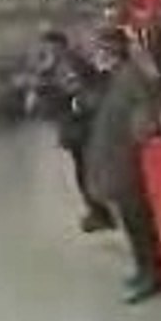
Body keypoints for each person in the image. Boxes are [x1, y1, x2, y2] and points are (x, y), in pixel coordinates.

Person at [85, 26, 161, 305]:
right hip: (118, 163)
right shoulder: (115, 78)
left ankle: (151, 275)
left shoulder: (132, 78)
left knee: (139, 225)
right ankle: (144, 270)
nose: (95, 55)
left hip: (129, 165)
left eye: (99, 49)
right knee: (132, 225)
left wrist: (136, 139)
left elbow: (146, 119)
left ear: (113, 51)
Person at [43, 30, 116, 234]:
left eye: (49, 46)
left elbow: (77, 94)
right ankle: (99, 211)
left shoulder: (67, 64)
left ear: (59, 46)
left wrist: (73, 107)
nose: (47, 50)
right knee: (85, 170)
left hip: (80, 126)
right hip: (77, 125)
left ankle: (100, 213)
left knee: (86, 171)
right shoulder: (63, 63)